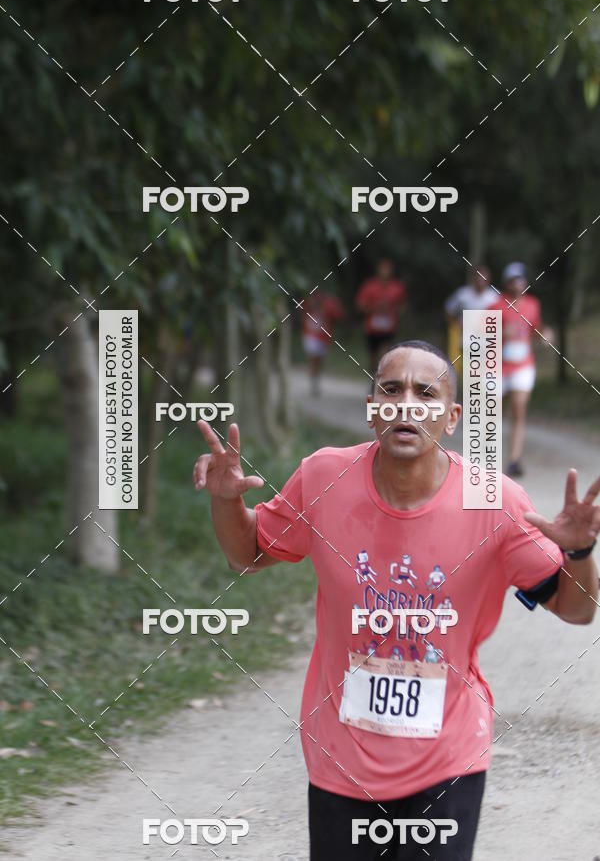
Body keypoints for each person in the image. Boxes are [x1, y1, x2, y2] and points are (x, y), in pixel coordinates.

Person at [193, 339, 599, 860]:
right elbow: (247, 554)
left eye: (425, 393)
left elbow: (578, 607)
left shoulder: (493, 502)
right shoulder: (323, 477)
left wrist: (581, 551)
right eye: (391, 389)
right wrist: (228, 502)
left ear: (451, 418)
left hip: (448, 757)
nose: (407, 404)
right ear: (372, 411)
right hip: (341, 759)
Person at [490, 262, 553, 478]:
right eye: (512, 279)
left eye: (520, 279)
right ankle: (488, 460)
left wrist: (545, 335)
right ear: (506, 283)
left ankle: (514, 460)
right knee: (493, 413)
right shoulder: (496, 306)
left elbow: (535, 328)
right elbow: (480, 336)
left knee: (519, 409)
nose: (517, 283)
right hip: (498, 368)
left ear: (525, 282)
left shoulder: (533, 304)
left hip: (523, 366)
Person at [355, 259, 407, 373]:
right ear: (378, 270)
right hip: (372, 329)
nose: (385, 272)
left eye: (387, 269)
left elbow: (402, 306)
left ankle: (381, 379)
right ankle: (372, 379)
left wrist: (393, 310)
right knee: (372, 358)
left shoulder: (397, 287)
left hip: (388, 329)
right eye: (383, 269)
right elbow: (360, 306)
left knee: (385, 355)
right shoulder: (369, 286)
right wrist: (374, 308)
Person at [444, 265, 497, 375]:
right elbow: (449, 310)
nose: (480, 281)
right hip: (465, 339)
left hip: (486, 340)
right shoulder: (463, 294)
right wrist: (456, 326)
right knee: (468, 371)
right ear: (474, 278)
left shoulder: (494, 297)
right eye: (478, 277)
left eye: (483, 278)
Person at [301, 289, 345, 396]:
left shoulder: (329, 303)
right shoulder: (306, 300)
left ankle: (316, 379)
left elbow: (339, 316)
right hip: (310, 335)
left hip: (323, 337)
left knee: (319, 361)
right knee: (313, 358)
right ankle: (313, 383)